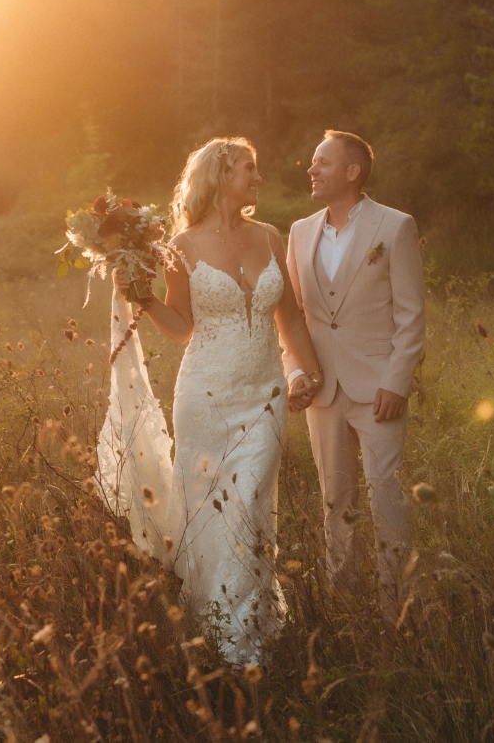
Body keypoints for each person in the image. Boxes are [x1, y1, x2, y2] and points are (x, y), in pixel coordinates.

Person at [106, 137, 323, 666]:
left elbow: (289, 316)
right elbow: (182, 329)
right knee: (209, 514)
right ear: (221, 175)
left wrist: (308, 370)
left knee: (250, 505)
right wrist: (149, 299)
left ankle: (242, 633)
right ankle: (223, 634)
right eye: (250, 168)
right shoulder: (180, 247)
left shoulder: (271, 237)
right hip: (204, 397)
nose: (258, 177)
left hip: (266, 396)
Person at [282, 130, 425, 615]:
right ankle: (344, 603)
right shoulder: (300, 232)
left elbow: (411, 315)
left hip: (378, 387)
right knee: (334, 501)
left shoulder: (395, 226)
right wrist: (295, 372)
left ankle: (397, 604)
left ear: (352, 171)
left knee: (387, 496)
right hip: (322, 389)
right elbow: (293, 318)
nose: (311, 169)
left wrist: (396, 381)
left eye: (322, 162)